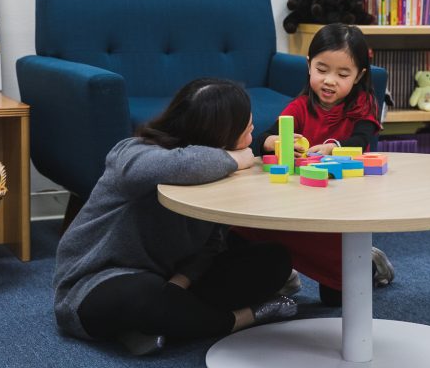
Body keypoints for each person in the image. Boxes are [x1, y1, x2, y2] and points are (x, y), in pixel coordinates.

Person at [53, 78, 297, 356]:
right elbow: (173, 165)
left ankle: (160, 323)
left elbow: (211, 245)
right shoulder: (132, 152)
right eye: (245, 120)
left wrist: (178, 285)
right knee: (144, 296)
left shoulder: (220, 174)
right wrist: (240, 158)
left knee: (274, 260)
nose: (252, 124)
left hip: (168, 280)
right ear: (222, 132)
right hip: (96, 282)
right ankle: (241, 319)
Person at [232, 23, 394, 307]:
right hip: (300, 199)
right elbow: (263, 138)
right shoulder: (300, 106)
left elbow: (362, 138)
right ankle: (285, 271)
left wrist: (335, 147)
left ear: (359, 76)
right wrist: (274, 143)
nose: (330, 81)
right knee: (243, 232)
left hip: (342, 202)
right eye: (322, 70)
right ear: (308, 66)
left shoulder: (362, 105)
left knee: (335, 297)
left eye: (343, 74)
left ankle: (369, 262)